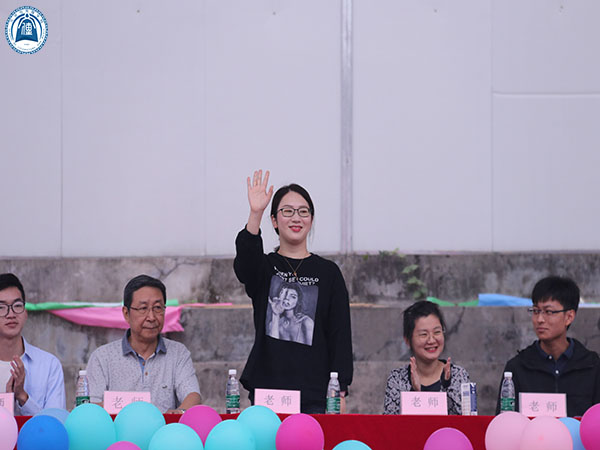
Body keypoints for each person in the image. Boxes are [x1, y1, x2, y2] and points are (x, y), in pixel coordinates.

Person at [234, 169, 353, 413]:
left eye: (303, 211)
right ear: (274, 221)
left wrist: (339, 390)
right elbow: (245, 265)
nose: (296, 218)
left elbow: (339, 333)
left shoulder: (328, 272)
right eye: (287, 211)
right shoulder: (265, 267)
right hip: (269, 390)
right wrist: (255, 213)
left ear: (311, 219)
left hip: (315, 393)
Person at [86, 274, 201, 413]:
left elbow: (193, 395)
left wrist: (180, 412)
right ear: (126, 313)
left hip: (164, 427)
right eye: (143, 308)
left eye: (157, 308)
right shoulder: (102, 358)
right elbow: (90, 408)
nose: (151, 317)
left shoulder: (178, 353)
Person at [496, 275, 600, 416]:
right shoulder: (518, 367)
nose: (540, 319)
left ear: (569, 317)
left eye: (549, 312)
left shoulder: (592, 366)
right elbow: (504, 421)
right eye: (536, 311)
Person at [384, 300, 470, 415]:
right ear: (408, 340)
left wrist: (446, 386)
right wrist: (415, 393)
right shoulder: (397, 379)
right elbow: (390, 423)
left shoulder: (458, 376)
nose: (431, 340)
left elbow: (466, 421)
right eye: (423, 334)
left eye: (437, 332)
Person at [0, 273, 66, 415]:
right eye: (1, 307)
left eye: (17, 306)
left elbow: (55, 423)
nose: (11, 314)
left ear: (25, 313)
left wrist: (23, 397)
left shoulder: (49, 365)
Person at [267, 281, 315, 345]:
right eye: (284, 293)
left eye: (293, 296)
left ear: (298, 301)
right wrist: (275, 314)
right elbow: (272, 345)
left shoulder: (306, 322)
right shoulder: (273, 323)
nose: (287, 298)